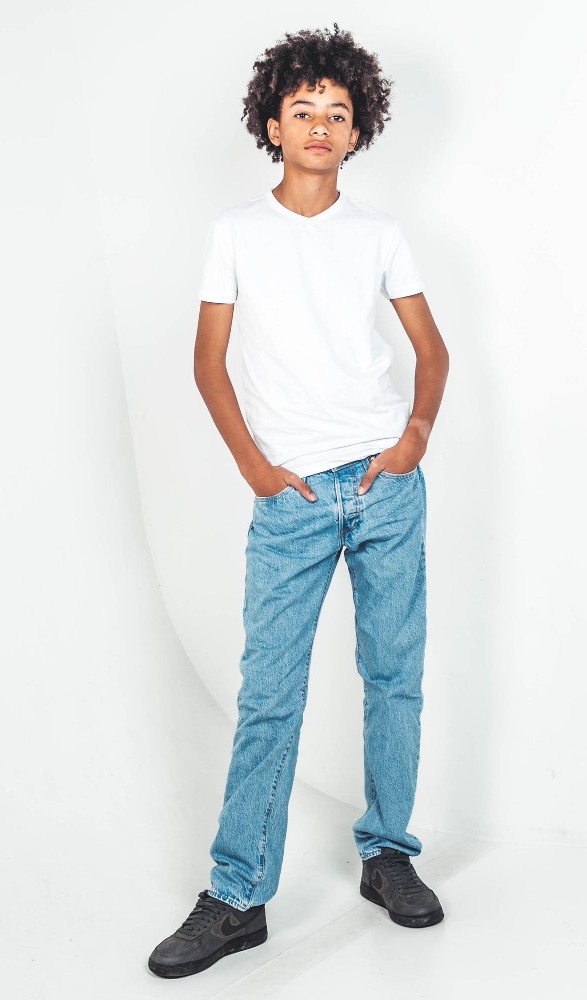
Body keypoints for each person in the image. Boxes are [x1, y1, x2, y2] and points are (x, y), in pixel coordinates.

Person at [148, 22, 450, 979]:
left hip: (384, 484)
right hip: (291, 497)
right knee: (270, 694)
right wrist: (254, 466)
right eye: (302, 109)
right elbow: (208, 363)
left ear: (357, 131)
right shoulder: (236, 232)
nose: (320, 124)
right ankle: (238, 895)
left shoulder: (378, 234)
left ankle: (387, 853)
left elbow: (431, 350)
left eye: (338, 111)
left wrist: (412, 438)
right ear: (271, 125)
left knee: (393, 678)